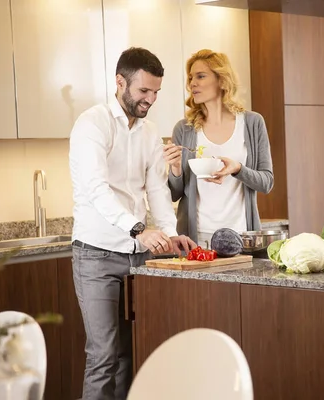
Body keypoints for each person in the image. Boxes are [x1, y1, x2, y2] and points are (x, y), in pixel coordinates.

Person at [68, 47, 196, 400]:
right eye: (144, 91)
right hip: (95, 255)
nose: (150, 99)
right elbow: (96, 189)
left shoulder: (149, 131)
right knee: (103, 356)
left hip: (137, 257)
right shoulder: (92, 124)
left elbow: (156, 189)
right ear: (120, 82)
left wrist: (170, 234)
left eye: (156, 92)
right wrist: (139, 228)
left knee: (131, 354)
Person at [163, 49, 274, 244]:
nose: (192, 84)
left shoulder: (252, 123)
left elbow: (266, 182)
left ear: (222, 80)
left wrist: (238, 169)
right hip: (196, 239)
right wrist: (175, 169)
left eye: (200, 76)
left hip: (242, 237)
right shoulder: (184, 129)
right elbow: (173, 194)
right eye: (190, 78)